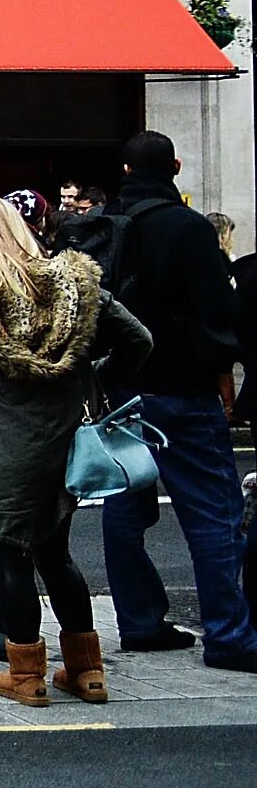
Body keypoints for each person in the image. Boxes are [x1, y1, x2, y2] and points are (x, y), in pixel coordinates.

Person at [0, 198, 151, 706]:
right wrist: (93, 379)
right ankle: (87, 670)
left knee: (9, 555)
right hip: (62, 442)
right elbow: (138, 339)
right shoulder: (76, 287)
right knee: (56, 553)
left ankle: (27, 673)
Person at [90, 132, 256, 669]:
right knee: (213, 512)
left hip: (120, 389)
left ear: (122, 168)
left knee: (124, 507)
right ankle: (229, 633)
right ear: (176, 167)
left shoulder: (103, 228)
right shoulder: (188, 229)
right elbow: (220, 313)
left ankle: (138, 621)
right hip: (182, 387)